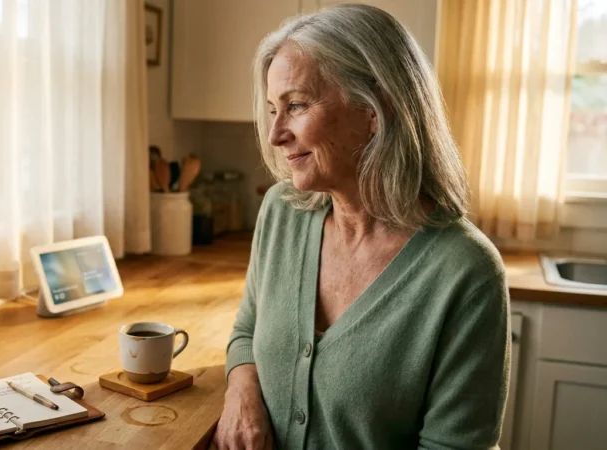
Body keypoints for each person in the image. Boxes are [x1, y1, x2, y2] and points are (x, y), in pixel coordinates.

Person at [212, 4, 510, 450]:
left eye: (295, 105)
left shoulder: (466, 272)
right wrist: (241, 389)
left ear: (375, 109)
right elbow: (247, 332)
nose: (275, 134)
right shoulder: (282, 211)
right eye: (274, 108)